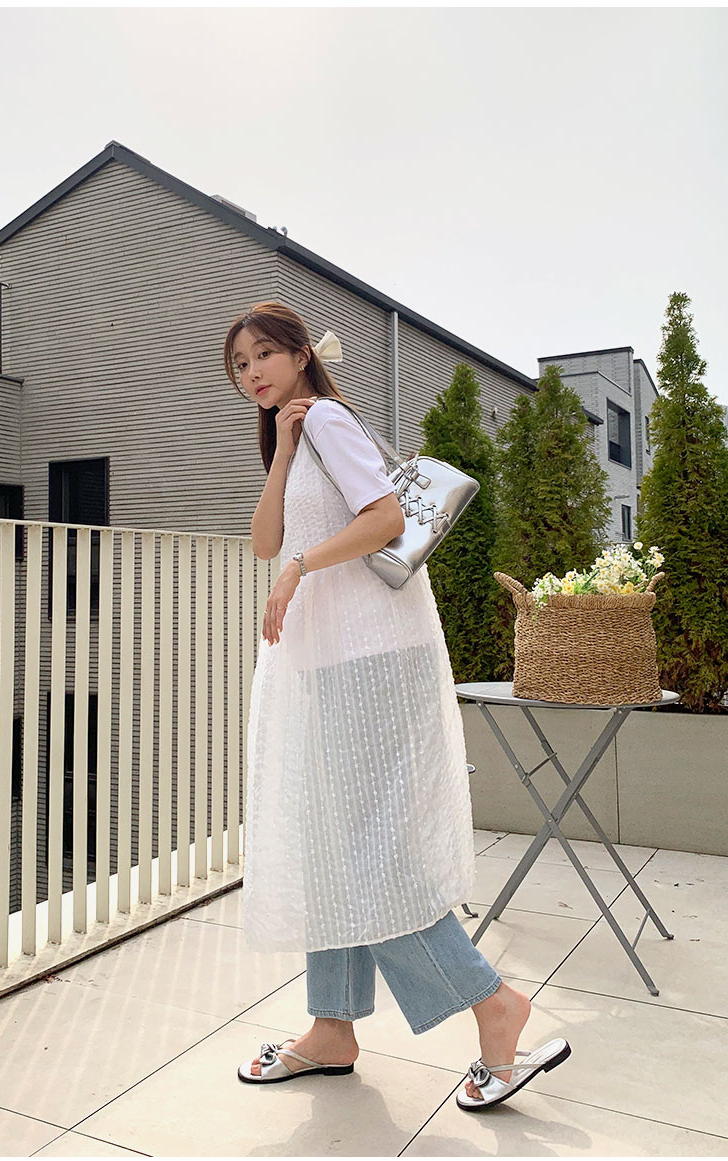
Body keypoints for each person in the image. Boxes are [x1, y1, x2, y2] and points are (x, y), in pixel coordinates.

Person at [223, 302, 570, 1110]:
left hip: (370, 663)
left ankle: (493, 1003)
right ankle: (332, 1026)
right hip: (329, 666)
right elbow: (264, 541)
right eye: (240, 364)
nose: (253, 372)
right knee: (333, 847)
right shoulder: (299, 433)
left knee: (370, 853)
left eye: (265, 354)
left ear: (302, 354)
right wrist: (281, 452)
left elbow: (382, 520)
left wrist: (299, 569)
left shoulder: (331, 419)